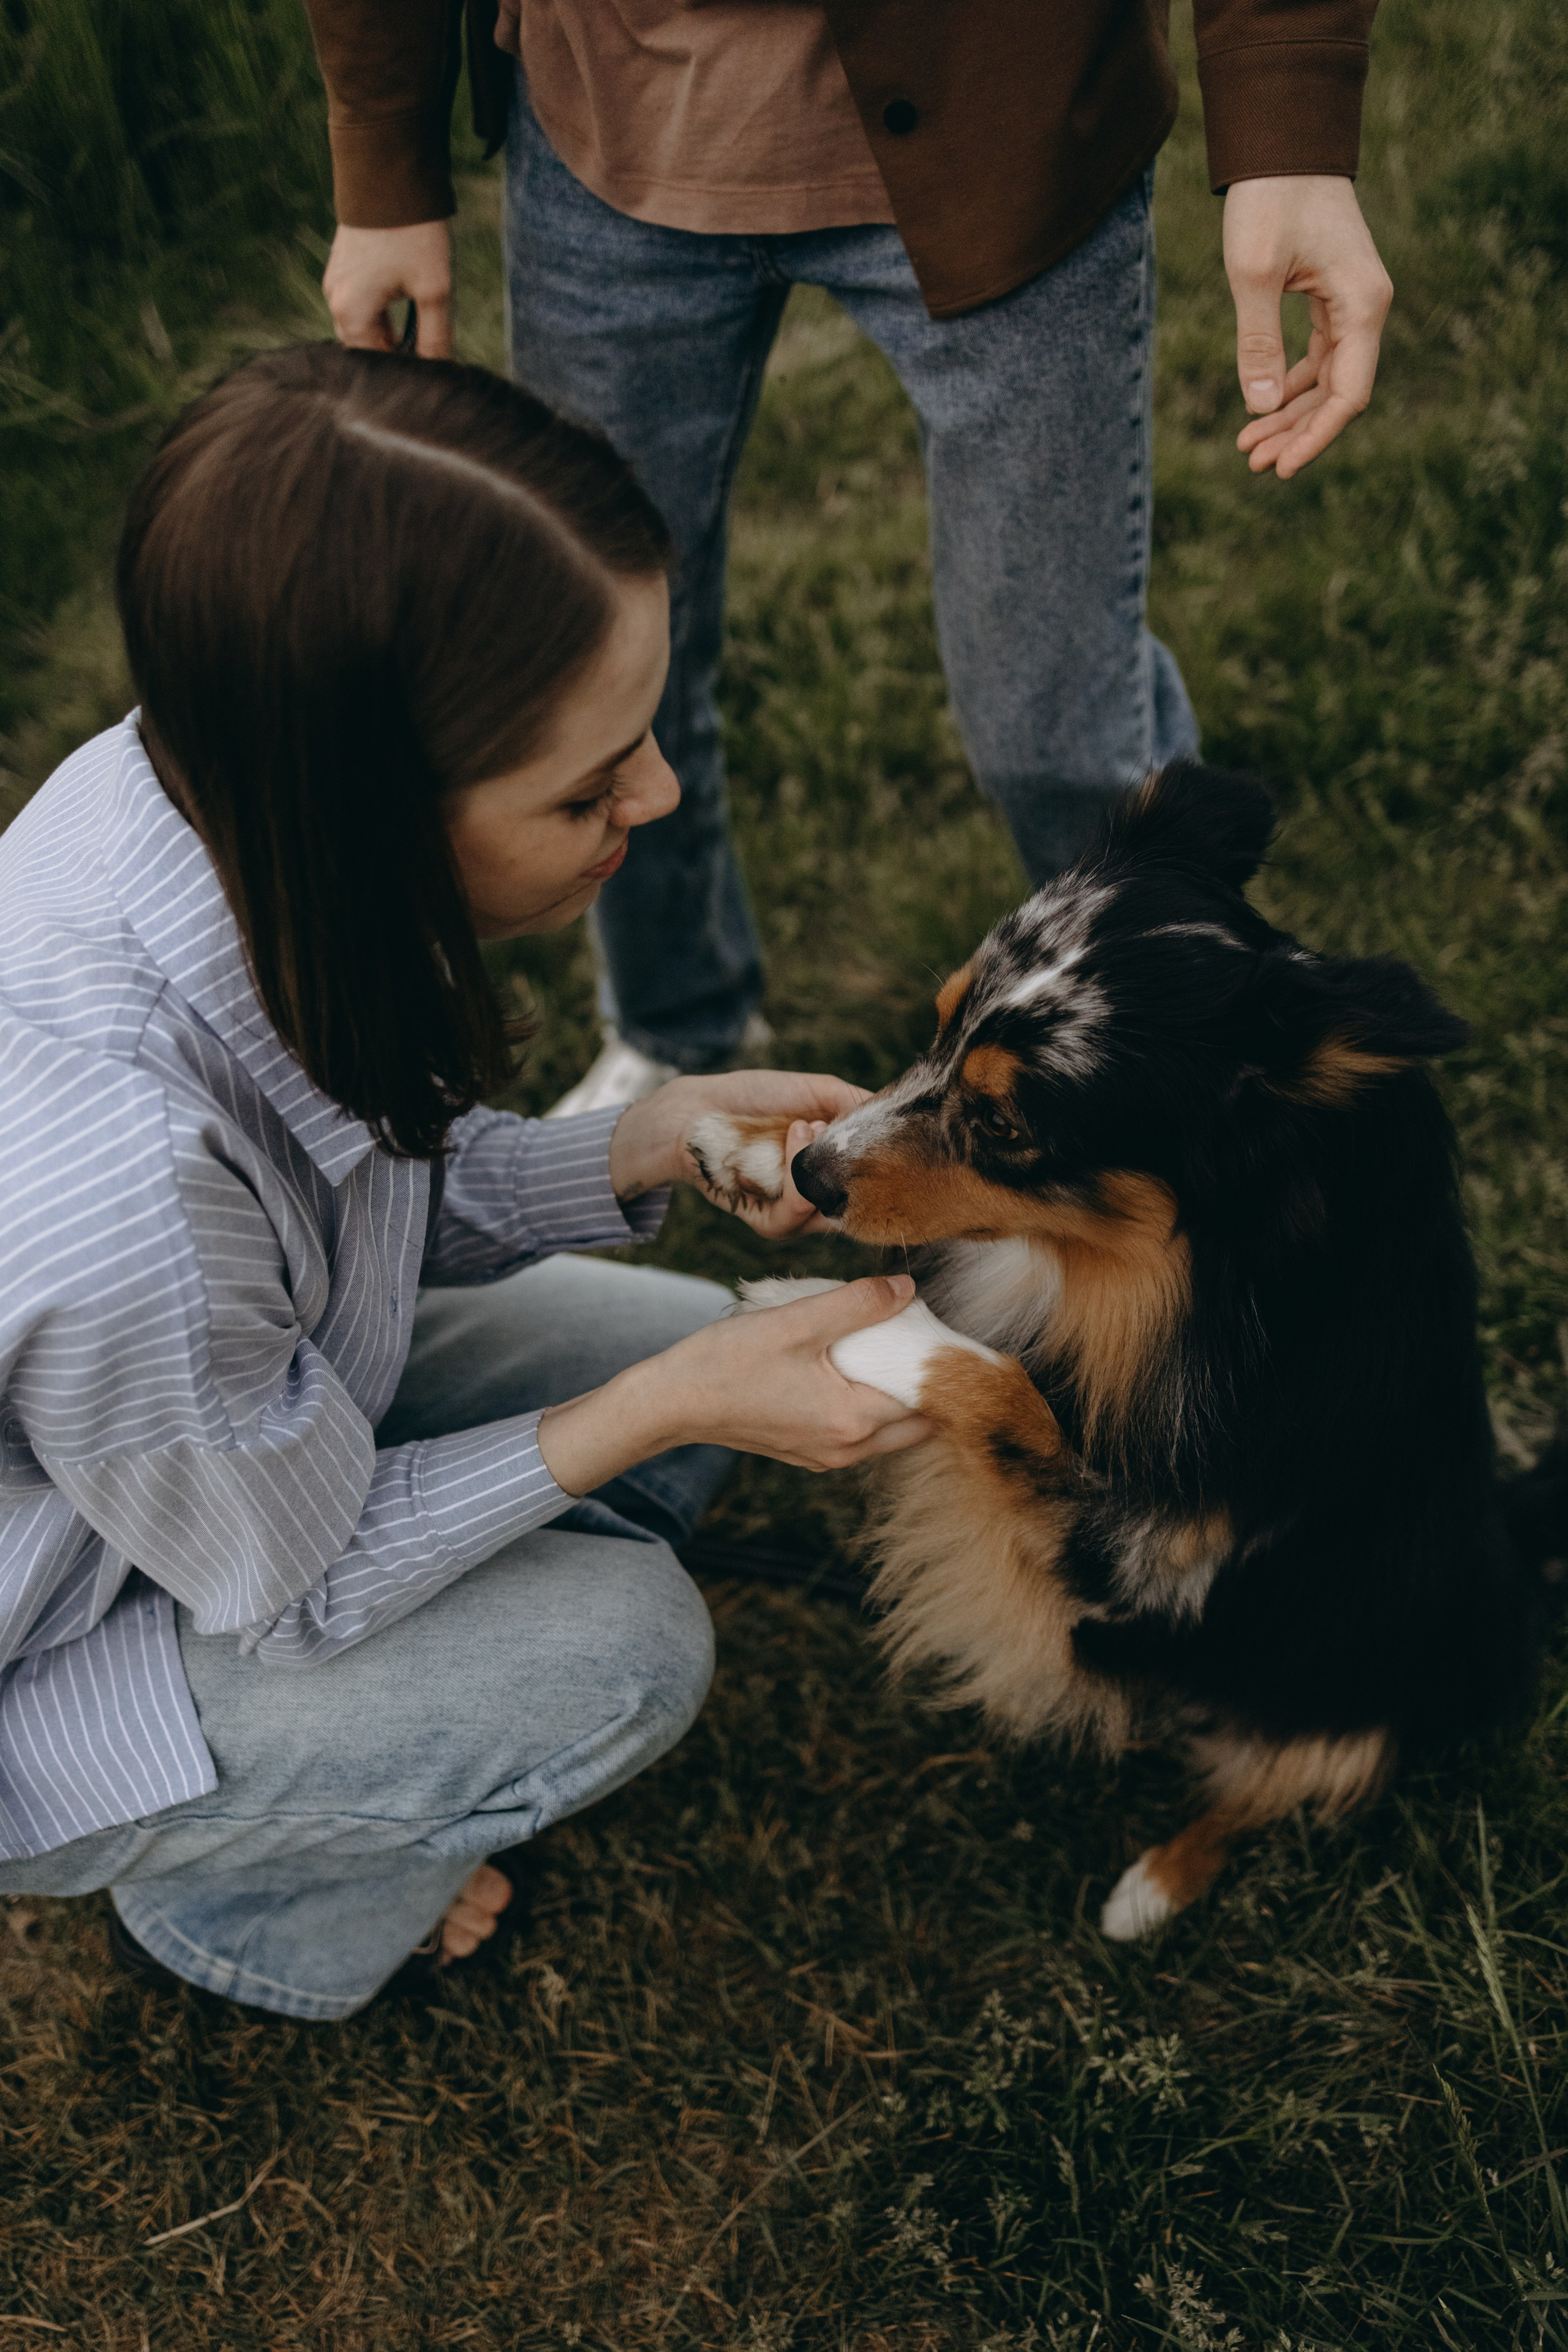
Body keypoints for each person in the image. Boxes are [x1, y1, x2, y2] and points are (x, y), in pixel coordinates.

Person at [0, 346, 932, 2021]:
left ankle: (369, 1761)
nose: (654, 797)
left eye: (645, 739)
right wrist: (673, 1402)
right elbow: (305, 1590)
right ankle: (244, 1916)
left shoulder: (203, 784)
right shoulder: (122, 1186)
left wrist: (635, 1146)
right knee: (625, 1640)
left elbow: (347, 1200)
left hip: (188, 1457)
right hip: (61, 1639)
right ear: (369, 817)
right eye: (587, 786)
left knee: (644, 1333)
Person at [304, 0, 1393, 1112]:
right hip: (605, 133)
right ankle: (678, 1025)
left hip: (1007, 129)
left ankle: (1197, 1052)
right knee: (600, 671)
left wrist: (1291, 126)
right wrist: (382, 154)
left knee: (1053, 724)